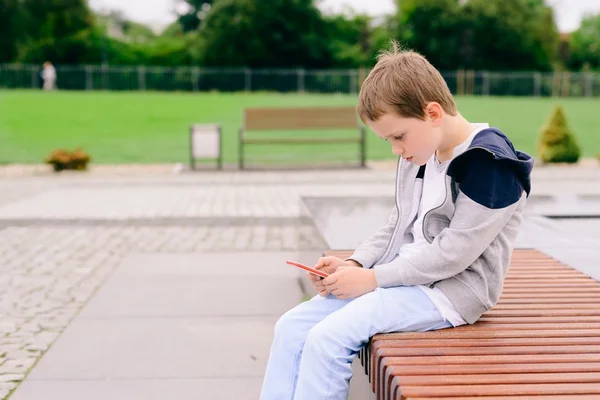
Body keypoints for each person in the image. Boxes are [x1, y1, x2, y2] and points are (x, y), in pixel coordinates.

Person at [259, 41, 533, 400]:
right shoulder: (421, 152)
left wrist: (371, 279)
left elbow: (455, 254)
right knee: (292, 327)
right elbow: (398, 222)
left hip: (450, 293)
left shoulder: (489, 162)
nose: (396, 150)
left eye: (398, 136)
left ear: (432, 113)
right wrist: (354, 264)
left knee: (328, 339)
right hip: (403, 278)